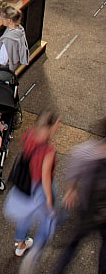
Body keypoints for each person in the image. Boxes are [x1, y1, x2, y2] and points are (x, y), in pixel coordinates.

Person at [3, 111, 60, 271]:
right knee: (48, 218)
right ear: (49, 127)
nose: (59, 126)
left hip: (26, 183)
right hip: (40, 186)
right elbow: (45, 177)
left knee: (25, 214)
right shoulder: (48, 150)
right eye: (57, 124)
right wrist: (49, 200)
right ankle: (36, 252)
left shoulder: (29, 134)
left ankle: (21, 243)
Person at [51, 116, 106, 274]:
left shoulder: (87, 151)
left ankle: (58, 270)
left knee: (73, 245)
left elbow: (75, 162)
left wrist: (71, 189)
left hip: (87, 210)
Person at [0, 5, 29, 72]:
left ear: (9, 20)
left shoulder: (8, 39)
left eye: (2, 18)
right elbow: (10, 46)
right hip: (14, 66)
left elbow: (3, 61)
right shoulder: (19, 29)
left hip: (4, 71)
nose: (1, 20)